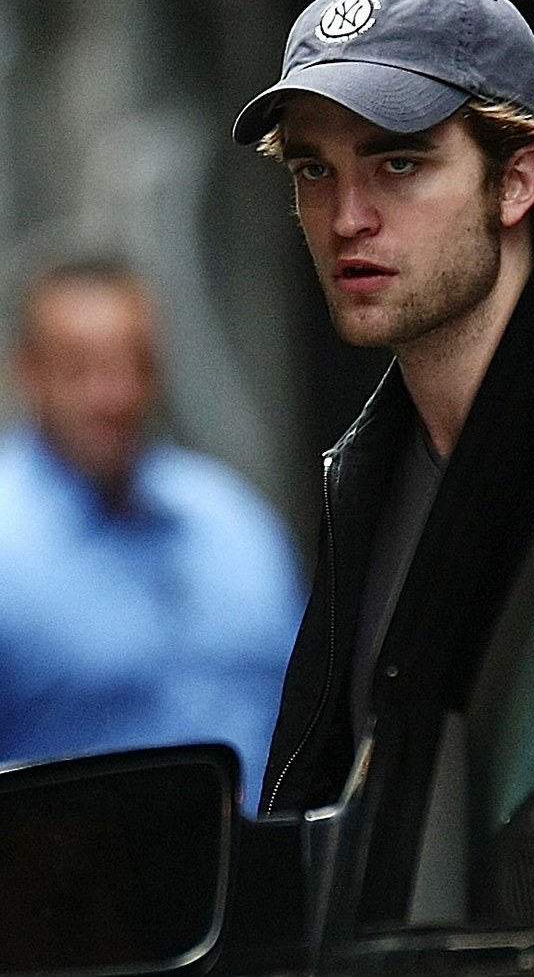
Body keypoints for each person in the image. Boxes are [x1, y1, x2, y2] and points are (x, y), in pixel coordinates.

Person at [232, 0, 534, 816]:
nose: (348, 217)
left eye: (399, 162)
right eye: (314, 168)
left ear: (516, 181)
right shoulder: (370, 478)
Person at [0, 260, 305, 814]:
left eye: (133, 363)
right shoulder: (9, 540)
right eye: (80, 368)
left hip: (259, 856)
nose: (114, 395)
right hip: (64, 865)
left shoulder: (233, 520)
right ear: (28, 371)